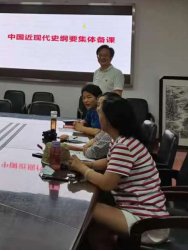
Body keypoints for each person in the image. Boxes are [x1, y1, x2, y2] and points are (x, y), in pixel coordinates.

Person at [69, 93, 169, 248]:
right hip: (138, 210)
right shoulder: (123, 140)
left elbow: (107, 184)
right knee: (95, 229)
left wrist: (82, 168)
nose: (98, 116)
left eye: (100, 113)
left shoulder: (123, 146)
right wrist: (85, 164)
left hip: (147, 224)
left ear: (109, 119)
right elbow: (109, 162)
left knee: (86, 209)